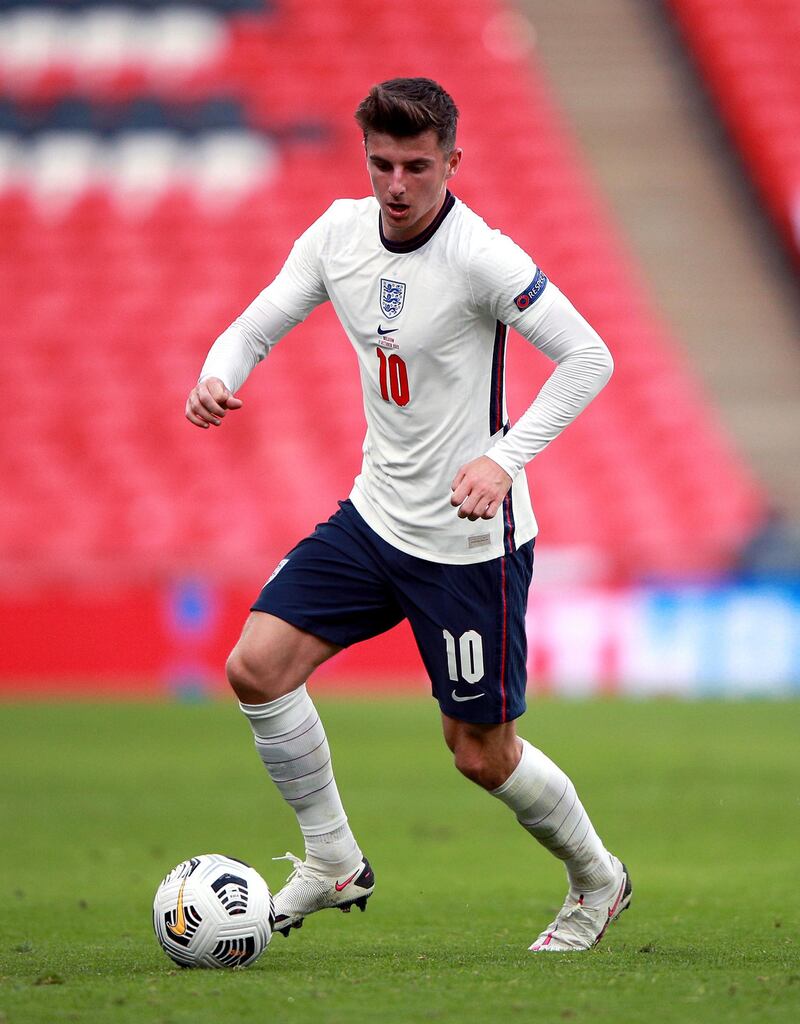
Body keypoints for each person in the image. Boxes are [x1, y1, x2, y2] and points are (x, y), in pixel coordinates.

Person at [185, 78, 631, 952]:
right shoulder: (338, 235)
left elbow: (589, 356)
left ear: (451, 164)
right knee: (256, 667)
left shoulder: (483, 258)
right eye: (382, 164)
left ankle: (597, 879)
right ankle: (332, 860)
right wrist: (218, 374)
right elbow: (254, 325)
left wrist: (504, 459)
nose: (396, 184)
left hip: (468, 545)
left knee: (480, 755)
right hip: (373, 516)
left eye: (417, 167)